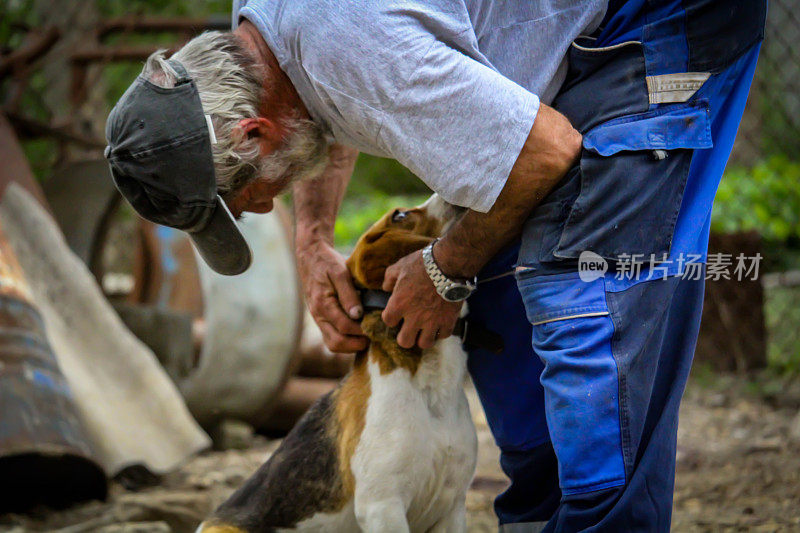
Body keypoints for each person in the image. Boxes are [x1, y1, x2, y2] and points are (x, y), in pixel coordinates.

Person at [104, 0, 767, 530]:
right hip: (563, 49)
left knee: (579, 295)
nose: (251, 209)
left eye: (237, 198)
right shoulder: (261, 37)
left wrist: (445, 271)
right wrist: (311, 239)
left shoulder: (355, 49)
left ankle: (604, 518)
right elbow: (318, 110)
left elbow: (543, 153)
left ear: (252, 136)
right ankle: (541, 513)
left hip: (659, 18)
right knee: (501, 296)